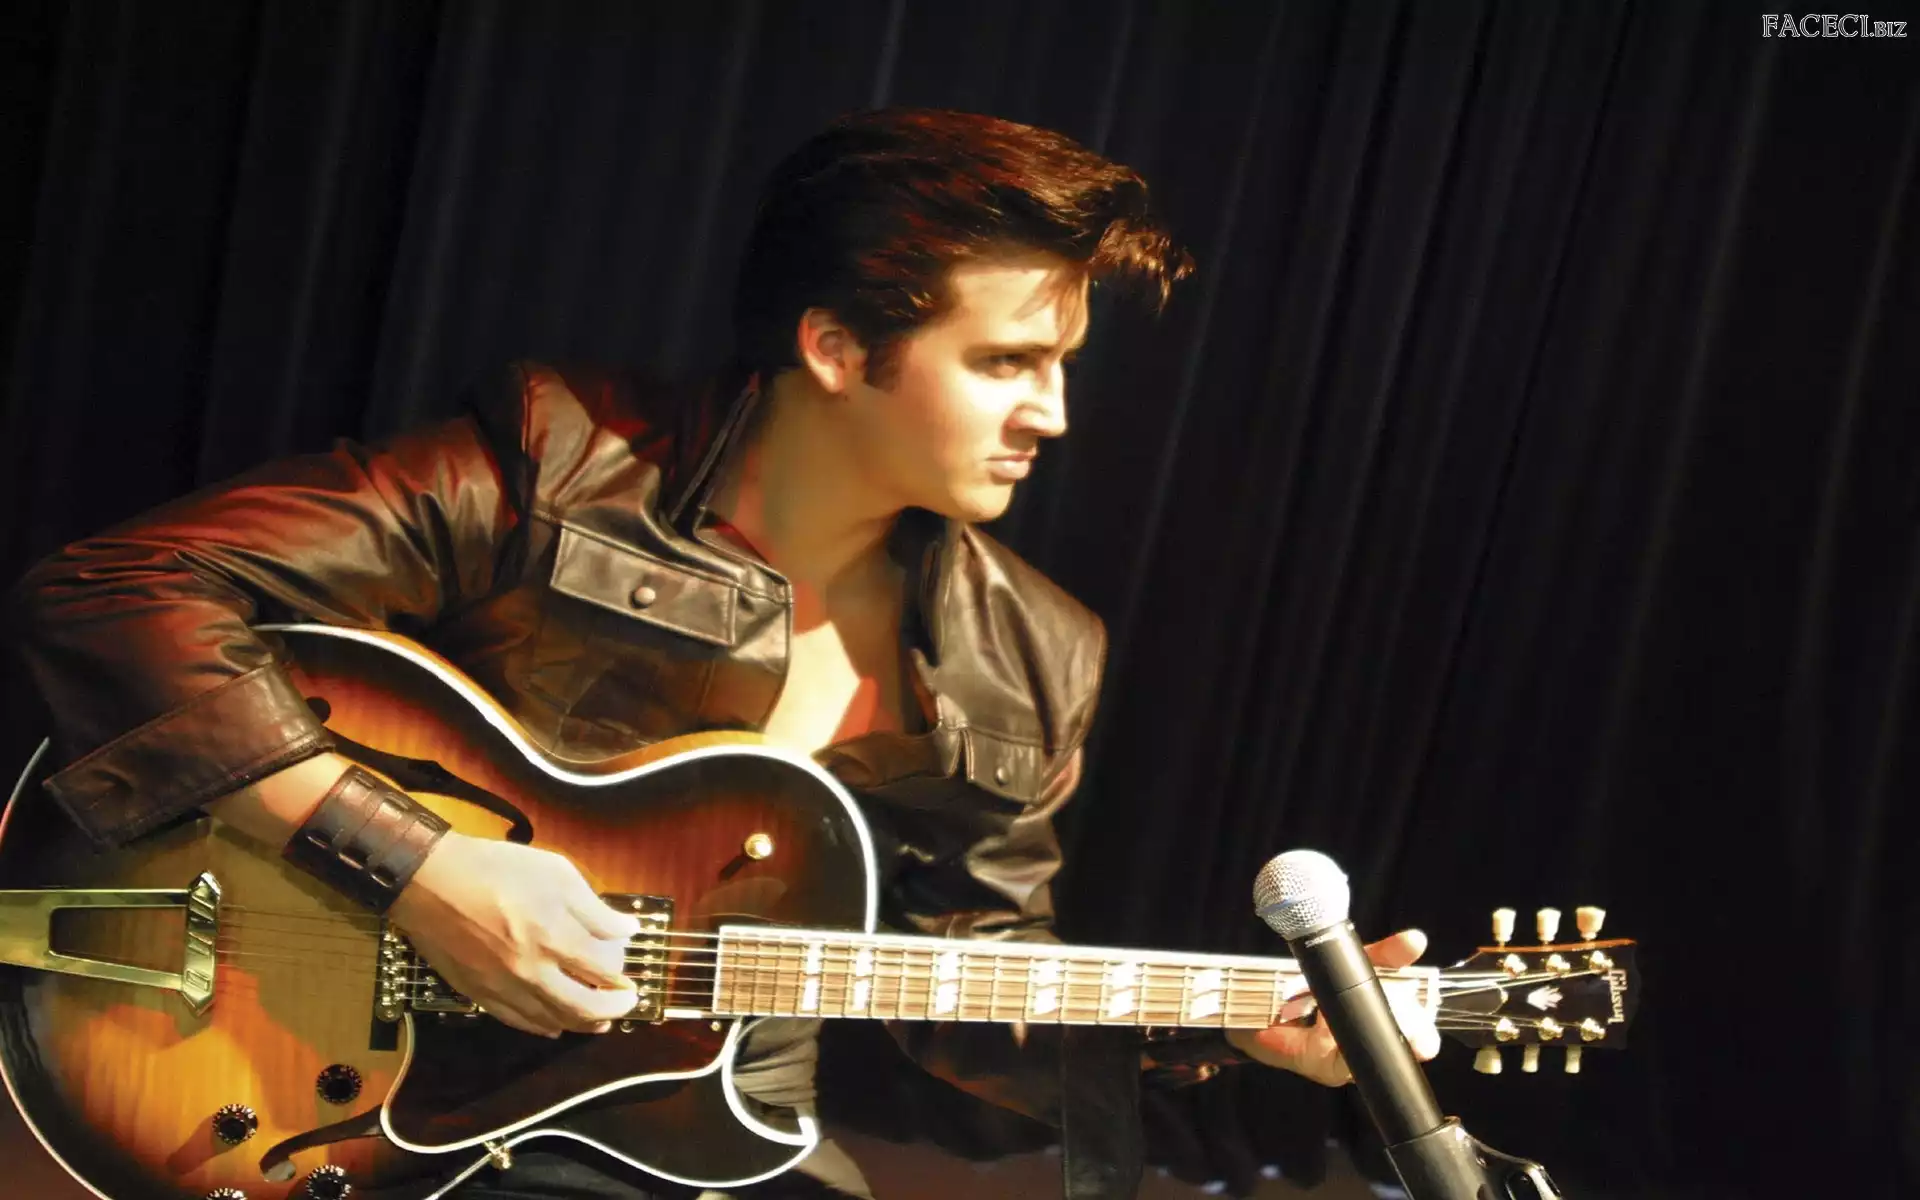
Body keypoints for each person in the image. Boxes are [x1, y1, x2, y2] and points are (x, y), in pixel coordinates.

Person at [9, 108, 1438, 1200]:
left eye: (1060, 365)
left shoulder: (1035, 652)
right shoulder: (560, 465)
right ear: (837, 349)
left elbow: (974, 993)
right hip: (345, 1092)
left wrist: (1229, 1030)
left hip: (708, 1137)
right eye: (1006, 361)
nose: (1053, 415)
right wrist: (415, 867)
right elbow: (117, 591)